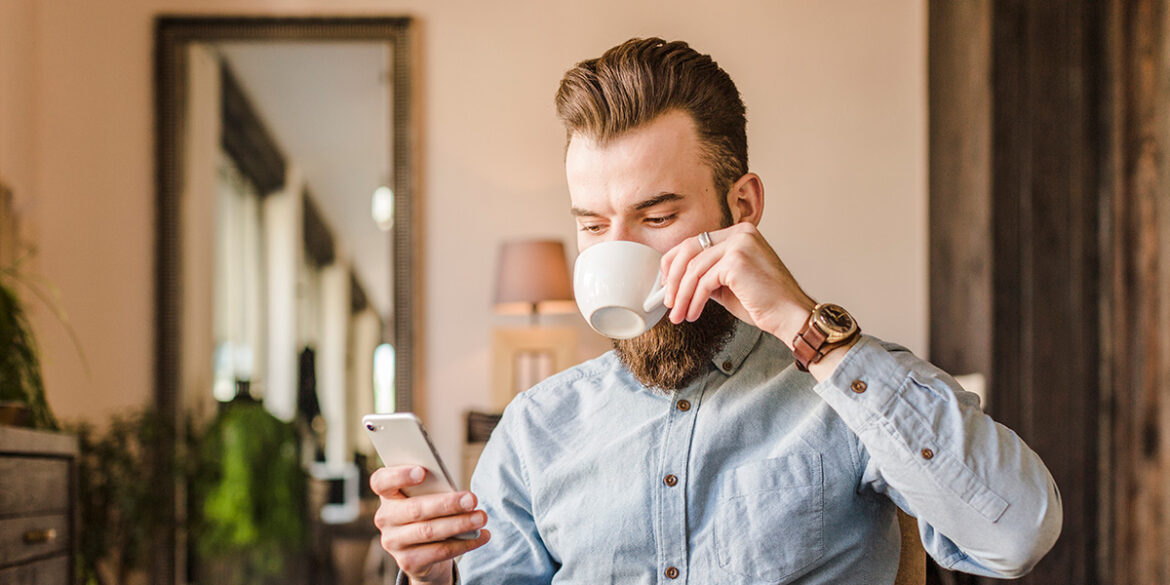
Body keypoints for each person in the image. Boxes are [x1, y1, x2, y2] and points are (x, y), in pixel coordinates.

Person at [370, 37, 1062, 585]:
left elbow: (1018, 535)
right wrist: (435, 577)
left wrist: (806, 325)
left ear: (743, 208)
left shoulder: (847, 397)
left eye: (658, 214)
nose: (620, 251)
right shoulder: (535, 429)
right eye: (592, 224)